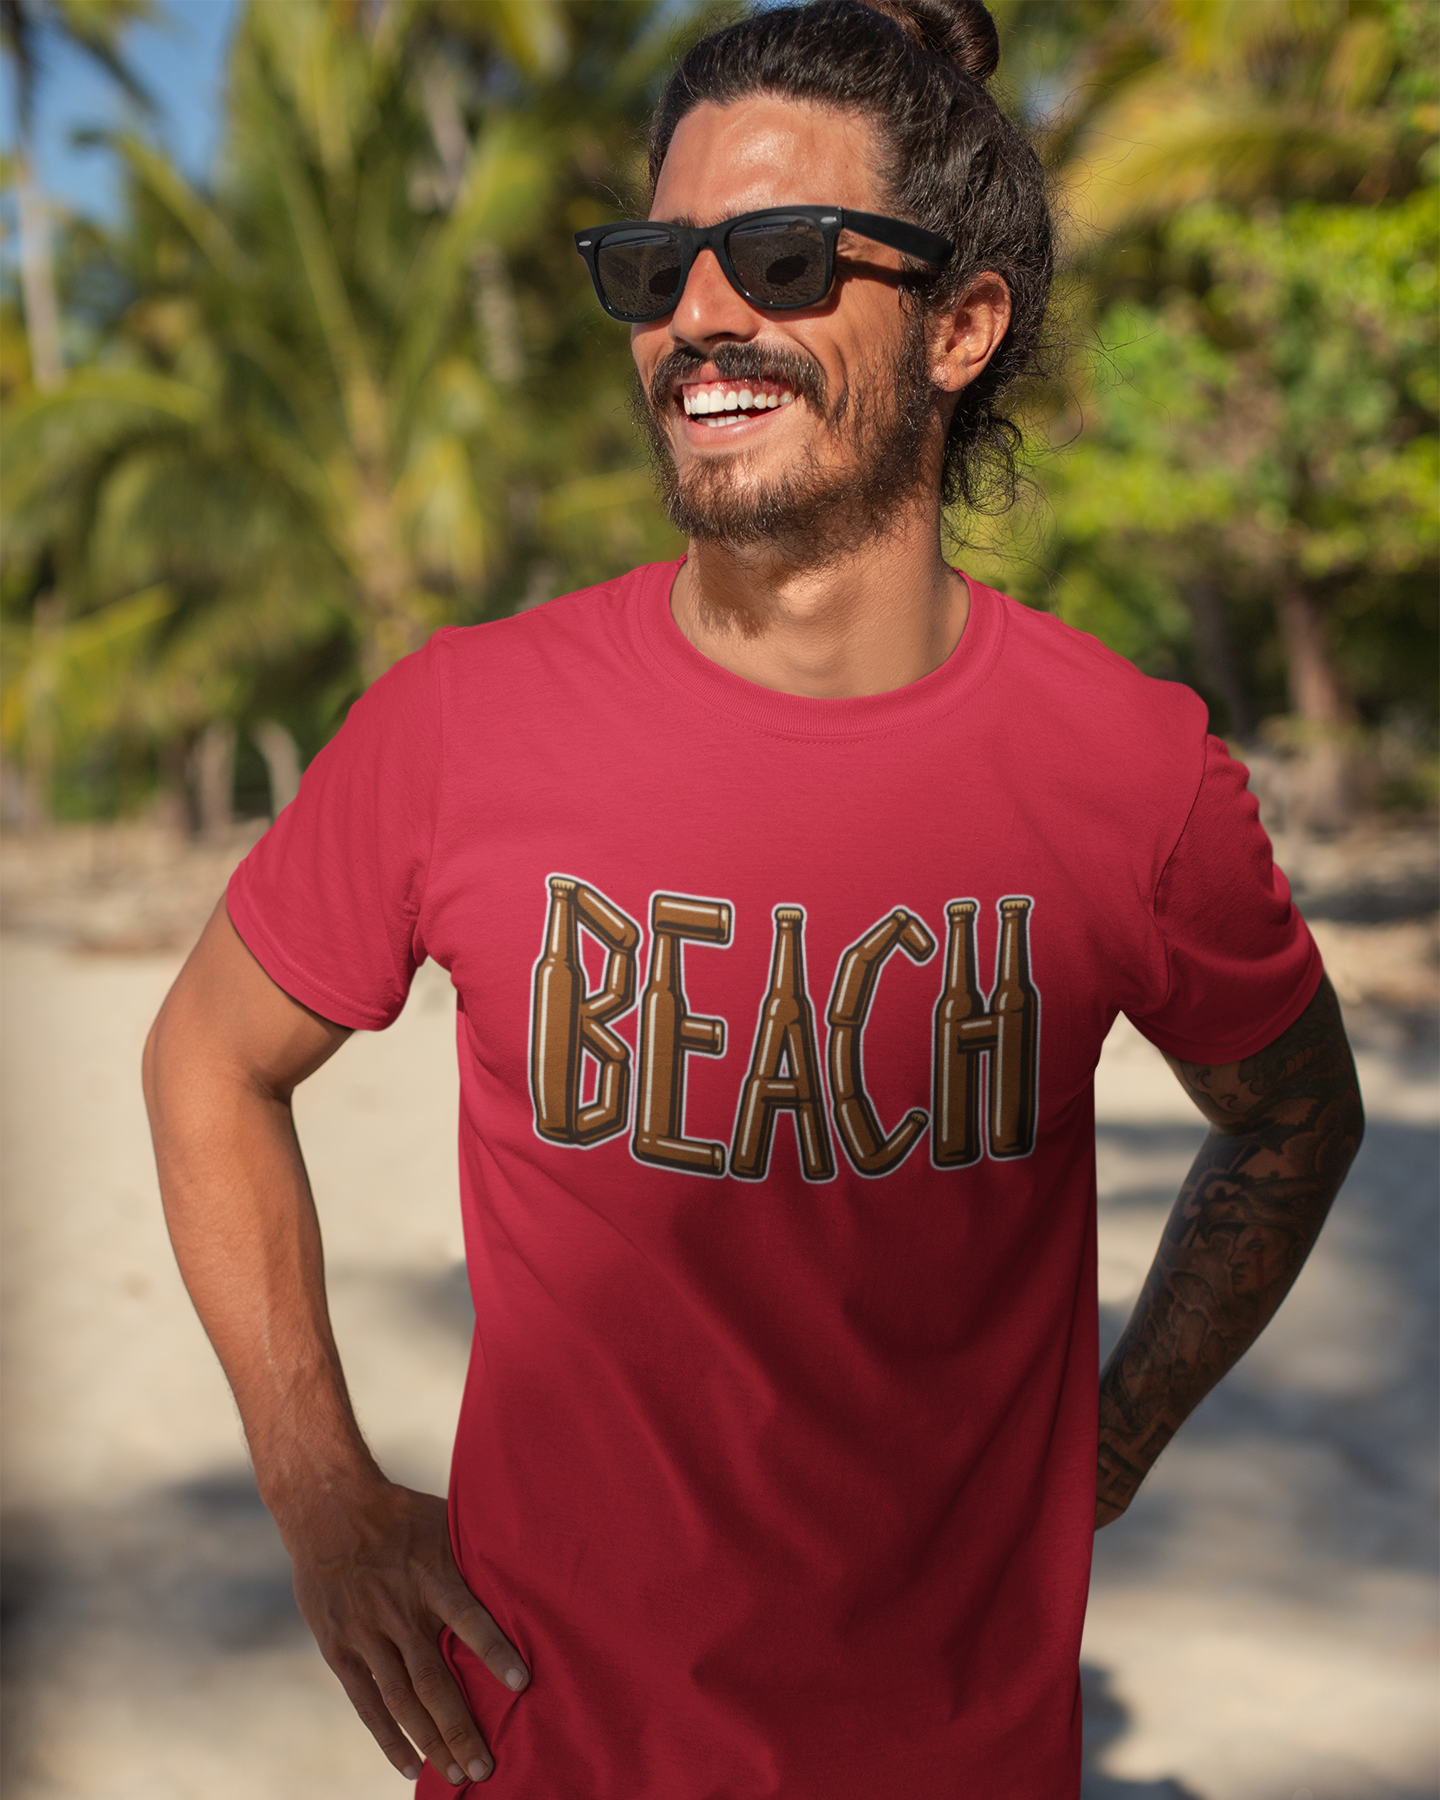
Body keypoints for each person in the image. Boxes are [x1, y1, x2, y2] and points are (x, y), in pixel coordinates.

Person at [142, 1, 1364, 1794]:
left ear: (960, 326)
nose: (704, 315)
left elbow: (1295, 1119)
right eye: (659, 267)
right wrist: (320, 1491)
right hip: (544, 1758)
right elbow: (205, 1064)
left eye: (784, 260)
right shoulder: (459, 725)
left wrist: (1104, 1448)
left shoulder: (1133, 774)